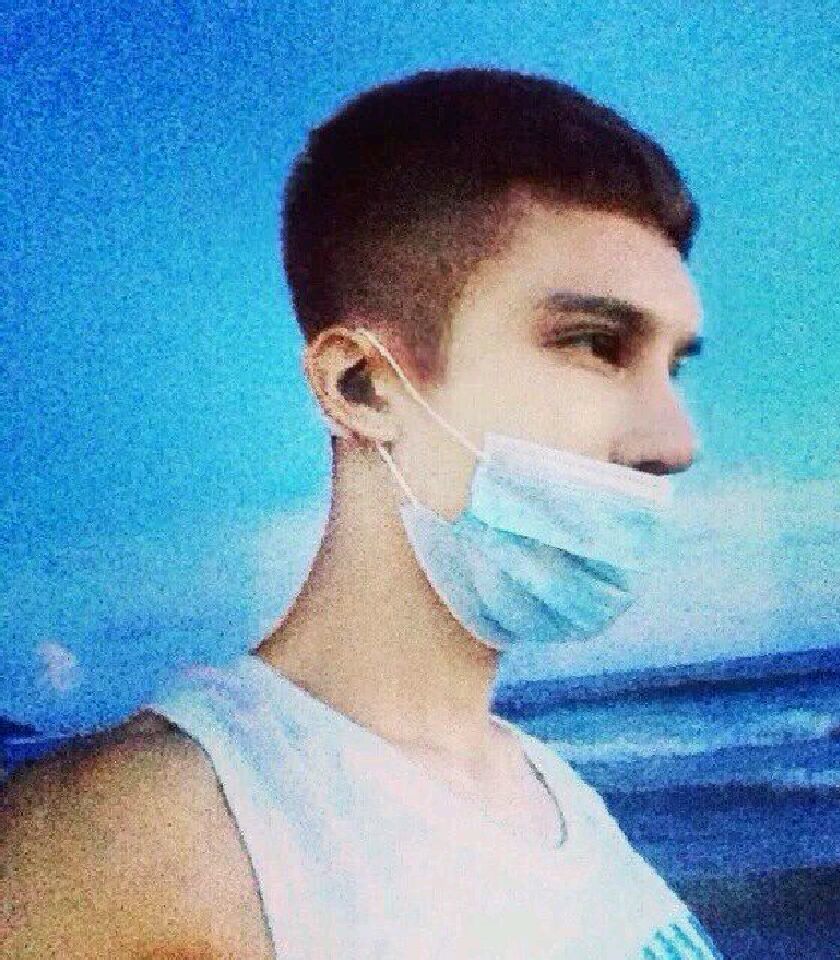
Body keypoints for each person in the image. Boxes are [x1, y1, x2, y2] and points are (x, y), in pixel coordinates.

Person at [1, 68, 721, 959]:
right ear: (362, 385)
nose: (678, 439)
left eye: (672, 367)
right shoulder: (143, 834)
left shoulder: (553, 792)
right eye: (596, 344)